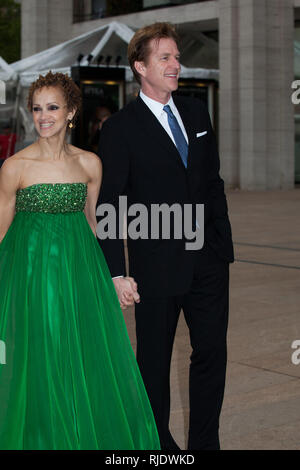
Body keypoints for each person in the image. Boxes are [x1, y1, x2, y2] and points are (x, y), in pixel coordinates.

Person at [0, 71, 160, 450]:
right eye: (37, 109)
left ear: (71, 111)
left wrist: (114, 278)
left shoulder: (90, 164)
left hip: (80, 277)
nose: (44, 116)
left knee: (83, 360)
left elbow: (96, 227)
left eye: (53, 107)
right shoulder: (15, 167)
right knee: (40, 359)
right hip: (31, 279)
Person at [97, 23, 234, 450]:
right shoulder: (120, 129)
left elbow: (211, 182)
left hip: (208, 260)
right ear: (141, 67)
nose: (176, 65)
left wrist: (220, 242)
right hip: (155, 268)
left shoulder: (196, 112)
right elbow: (109, 205)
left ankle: (204, 445)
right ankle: (159, 449)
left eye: (176, 57)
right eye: (166, 58)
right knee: (154, 365)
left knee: (211, 354)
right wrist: (117, 272)